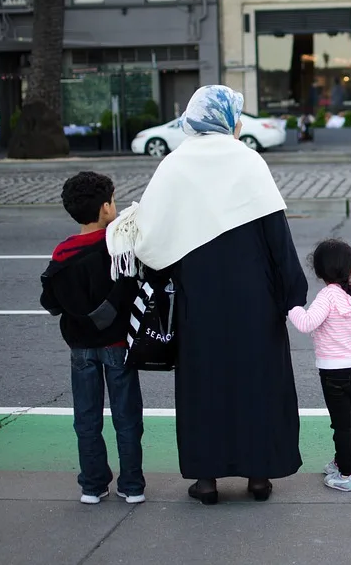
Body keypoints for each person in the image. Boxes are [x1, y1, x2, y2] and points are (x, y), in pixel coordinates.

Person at [105, 85, 308, 505]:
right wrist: (292, 293)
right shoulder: (248, 161)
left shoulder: (175, 165)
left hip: (199, 301)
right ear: (228, 118)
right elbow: (277, 236)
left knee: (204, 386)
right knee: (258, 384)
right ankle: (258, 476)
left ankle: (206, 480)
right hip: (256, 301)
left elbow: (151, 241)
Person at [40, 171, 145, 506]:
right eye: (113, 200)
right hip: (117, 344)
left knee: (86, 418)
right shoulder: (118, 248)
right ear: (105, 208)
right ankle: (131, 486)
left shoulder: (62, 253)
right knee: (127, 418)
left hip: (80, 347)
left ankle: (92, 485)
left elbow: (51, 302)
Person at [287, 239, 351, 493]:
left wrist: (289, 306)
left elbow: (306, 323)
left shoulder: (327, 296)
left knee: (342, 424)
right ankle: (340, 462)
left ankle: (347, 474)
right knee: (344, 420)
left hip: (334, 373)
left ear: (319, 272)